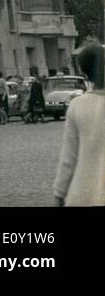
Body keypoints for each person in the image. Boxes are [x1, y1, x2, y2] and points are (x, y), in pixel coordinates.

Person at [52, 42, 105, 206]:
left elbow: (69, 156)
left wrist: (59, 193)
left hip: (84, 192)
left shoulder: (77, 105)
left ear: (85, 73)